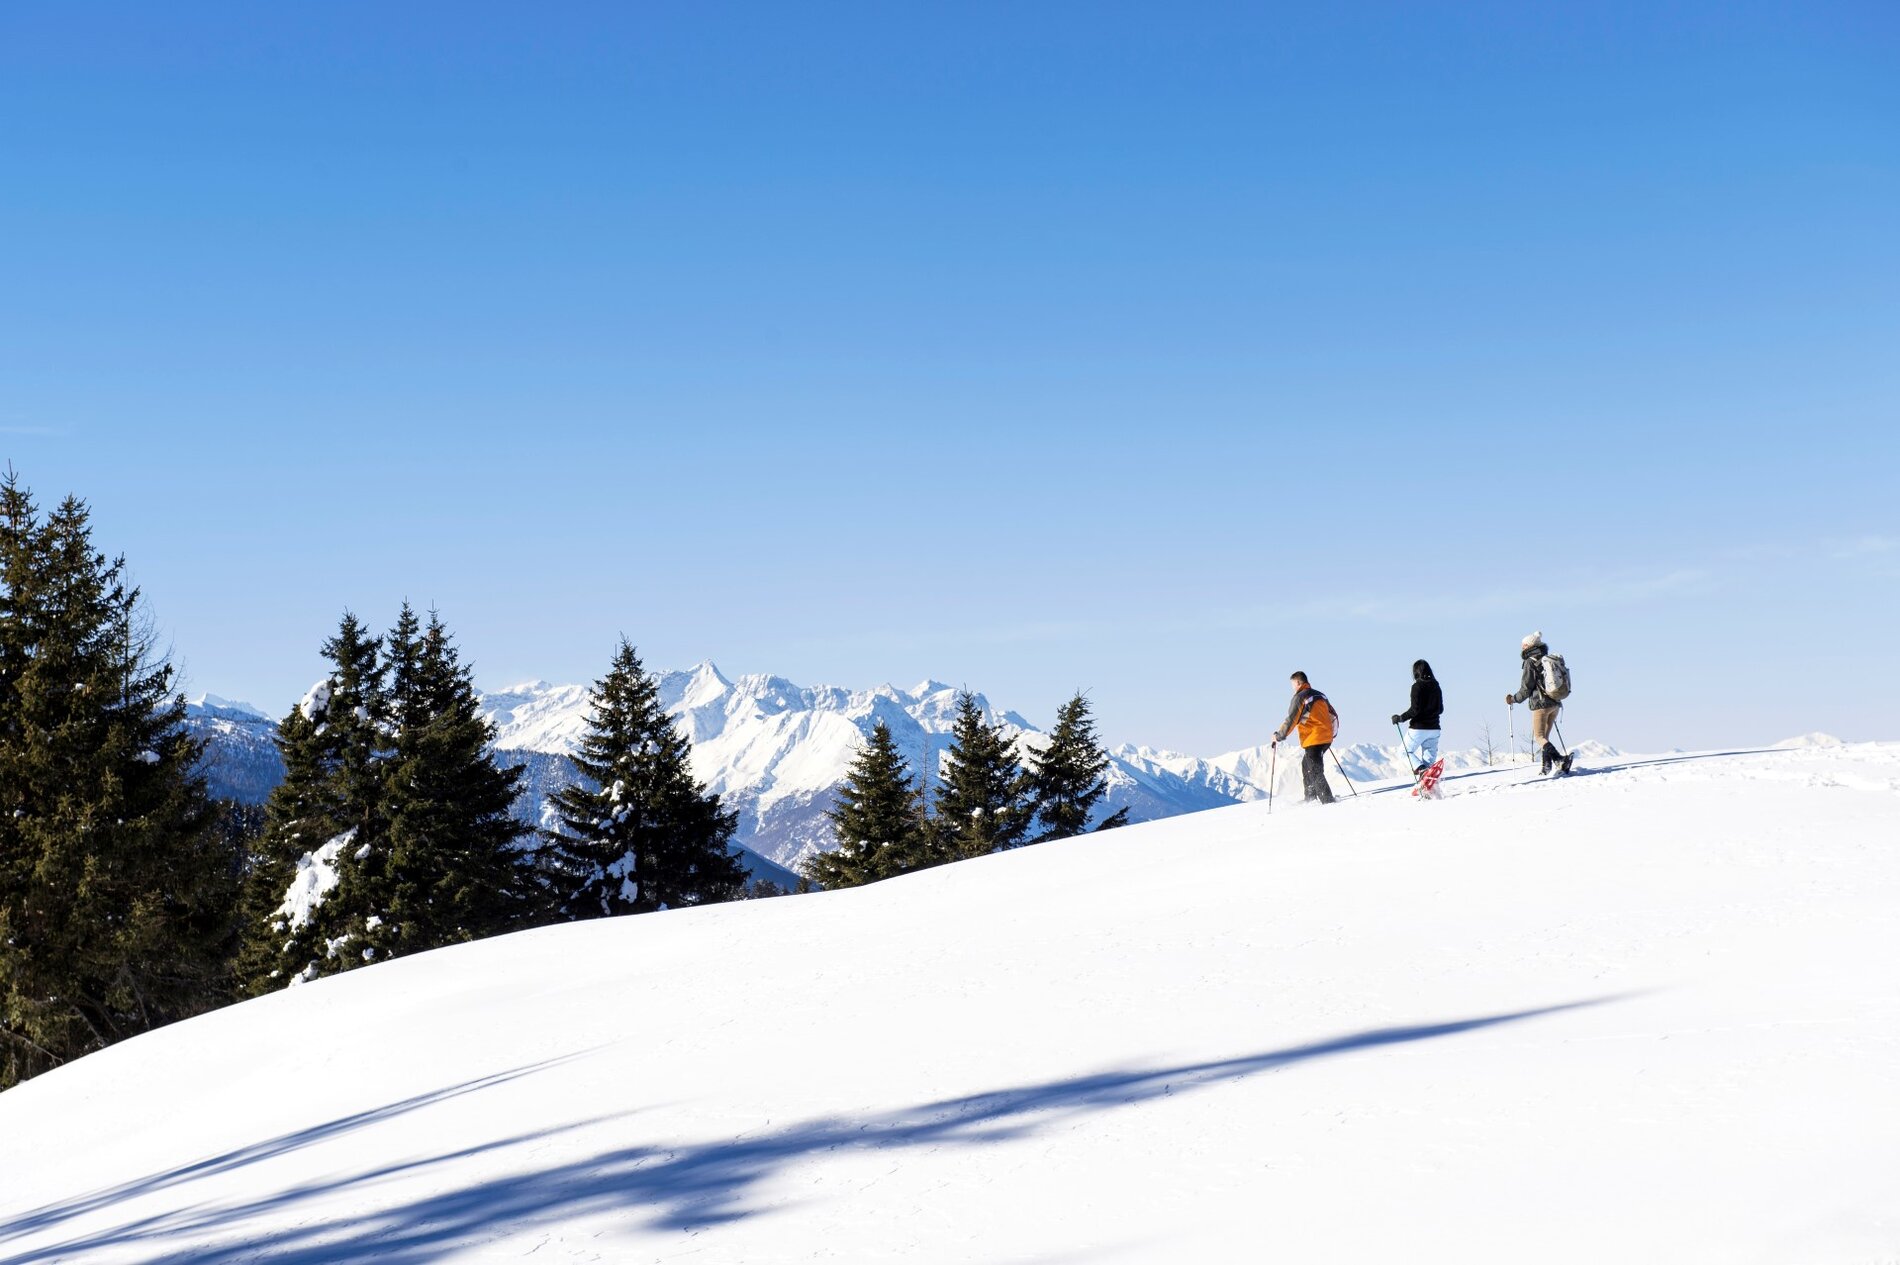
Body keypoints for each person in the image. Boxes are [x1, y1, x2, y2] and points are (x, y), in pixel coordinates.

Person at [1507, 630, 1573, 775]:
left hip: (1540, 705)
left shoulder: (1530, 662)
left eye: (1523, 645)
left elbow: (1526, 688)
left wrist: (1513, 699)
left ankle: (1559, 759)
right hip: (1555, 703)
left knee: (1539, 737)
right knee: (1545, 738)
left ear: (1529, 646)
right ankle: (1546, 767)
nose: (1522, 647)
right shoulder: (1546, 659)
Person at [1272, 671, 1338, 804]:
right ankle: (1310, 798)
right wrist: (1330, 733)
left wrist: (1279, 736)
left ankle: (1328, 801)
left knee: (1314, 770)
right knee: (1306, 764)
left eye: (1293, 685)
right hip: (1326, 737)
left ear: (1297, 682)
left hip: (1314, 738)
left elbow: (1291, 720)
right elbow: (1333, 715)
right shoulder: (1320, 695)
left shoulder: (1300, 697)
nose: (1292, 688)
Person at [1391, 659, 1443, 776]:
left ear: (1415, 672)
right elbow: (1441, 709)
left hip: (1419, 728)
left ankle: (1421, 769)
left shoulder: (1417, 686)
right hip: (1435, 729)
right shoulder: (1436, 685)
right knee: (1429, 766)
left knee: (1403, 752)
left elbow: (1415, 710)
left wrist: (1400, 718)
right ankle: (1427, 784)